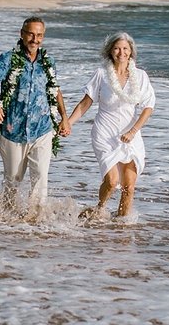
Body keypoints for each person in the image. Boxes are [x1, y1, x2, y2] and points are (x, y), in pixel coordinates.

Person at [61, 32, 155, 220]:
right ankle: (100, 209)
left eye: (125, 48)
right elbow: (85, 103)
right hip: (105, 133)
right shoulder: (101, 74)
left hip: (131, 134)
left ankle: (121, 230)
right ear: (110, 51)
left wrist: (133, 131)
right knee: (112, 181)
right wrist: (68, 123)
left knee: (129, 187)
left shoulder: (141, 76)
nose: (121, 52)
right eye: (117, 48)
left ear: (131, 52)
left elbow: (148, 107)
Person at [0, 16, 68, 219]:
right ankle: (8, 218)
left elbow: (55, 90)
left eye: (39, 35)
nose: (35, 39)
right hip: (13, 129)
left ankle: (35, 220)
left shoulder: (49, 62)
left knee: (40, 177)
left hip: (42, 128)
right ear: (21, 34)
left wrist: (64, 116)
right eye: (31, 34)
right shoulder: (7, 58)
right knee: (13, 179)